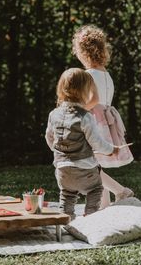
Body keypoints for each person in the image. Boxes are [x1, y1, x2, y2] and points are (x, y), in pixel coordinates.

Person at [72, 25, 134, 208]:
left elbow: (92, 101)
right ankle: (103, 205)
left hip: (94, 122)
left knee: (87, 165)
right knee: (96, 164)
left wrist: (77, 108)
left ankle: (120, 191)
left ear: (85, 53)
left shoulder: (88, 75)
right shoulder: (106, 74)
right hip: (105, 121)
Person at [45, 67, 119, 219]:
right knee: (97, 188)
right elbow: (97, 143)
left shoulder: (53, 114)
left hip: (62, 170)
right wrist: (111, 150)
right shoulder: (85, 116)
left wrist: (58, 151)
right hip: (84, 169)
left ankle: (66, 220)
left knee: (67, 194)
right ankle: (90, 218)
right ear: (85, 90)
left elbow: (49, 137)